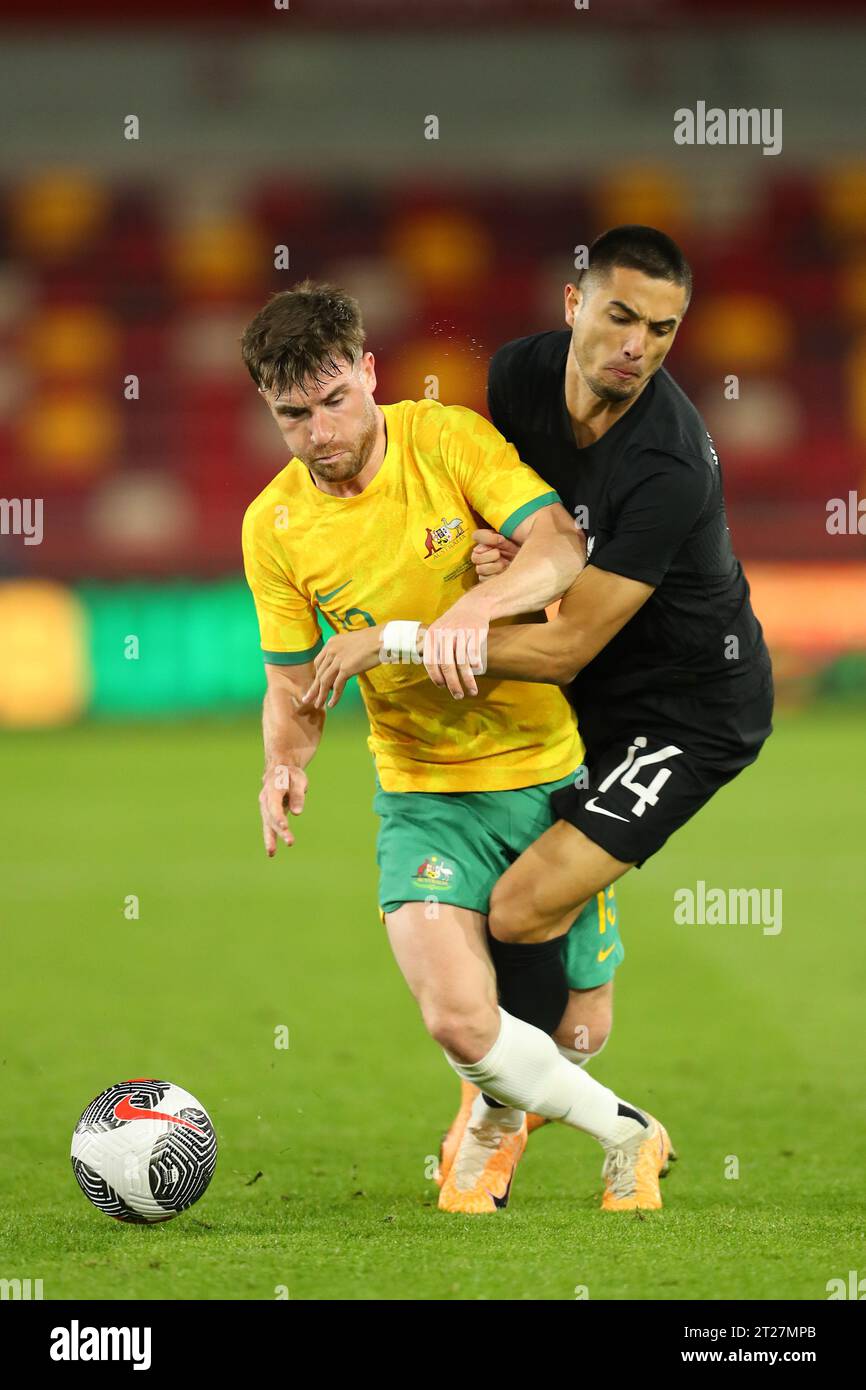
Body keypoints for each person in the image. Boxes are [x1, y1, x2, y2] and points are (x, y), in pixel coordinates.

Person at [310, 227, 773, 1209]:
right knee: (539, 989)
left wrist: (396, 638)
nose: (636, 346)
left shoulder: (667, 466)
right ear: (571, 305)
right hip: (577, 685)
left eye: (661, 328)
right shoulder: (519, 378)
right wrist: (497, 570)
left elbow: (565, 645)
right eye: (618, 315)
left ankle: (498, 1111)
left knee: (526, 917)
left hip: (684, 708)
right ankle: (502, 1104)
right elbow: (518, 527)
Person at [240, 279, 674, 1217]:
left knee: (578, 1034)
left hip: (543, 774)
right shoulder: (272, 528)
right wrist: (285, 761)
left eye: (333, 401)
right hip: (419, 793)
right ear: (268, 413)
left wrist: (480, 601)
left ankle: (495, 1115)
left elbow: (558, 543)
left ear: (367, 372)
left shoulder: (446, 440)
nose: (318, 432)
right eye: (291, 415)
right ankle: (624, 1131)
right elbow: (292, 683)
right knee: (457, 1018)